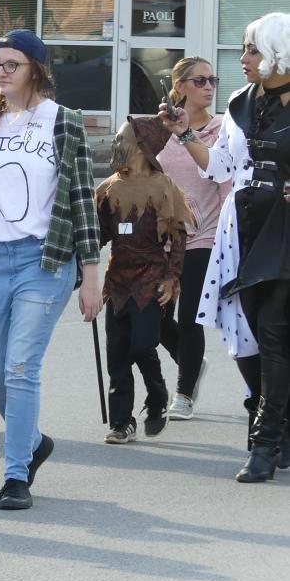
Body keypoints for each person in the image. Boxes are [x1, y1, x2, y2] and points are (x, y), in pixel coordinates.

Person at [0, 29, 102, 511]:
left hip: (45, 260)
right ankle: (33, 441)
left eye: (11, 64)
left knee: (20, 368)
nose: (0, 72)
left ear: (36, 69)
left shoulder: (63, 122)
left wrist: (92, 273)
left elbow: (81, 198)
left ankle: (16, 476)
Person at [160, 12, 290, 482]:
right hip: (243, 225)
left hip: (285, 227)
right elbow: (219, 167)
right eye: (244, 49)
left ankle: (265, 439)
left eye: (253, 50)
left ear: (279, 52)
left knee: (274, 330)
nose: (244, 59)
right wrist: (185, 134)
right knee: (246, 333)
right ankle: (274, 419)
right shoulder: (240, 103)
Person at [95, 117, 190, 443]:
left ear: (142, 147)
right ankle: (122, 422)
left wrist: (172, 277)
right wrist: (82, 263)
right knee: (117, 355)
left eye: (124, 139)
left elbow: (178, 238)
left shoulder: (164, 186)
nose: (117, 145)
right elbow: (101, 234)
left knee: (142, 345)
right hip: (118, 283)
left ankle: (157, 394)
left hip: (151, 282)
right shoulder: (107, 189)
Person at [156, 57, 230, 420]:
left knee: (190, 317)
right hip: (160, 238)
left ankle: (183, 392)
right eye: (200, 80)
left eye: (212, 79)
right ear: (180, 85)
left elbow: (225, 185)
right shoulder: (161, 127)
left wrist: (227, 239)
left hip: (204, 235)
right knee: (152, 317)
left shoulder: (221, 129)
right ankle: (191, 363)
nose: (209, 86)